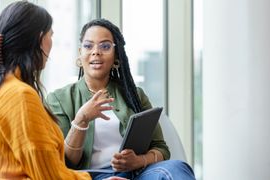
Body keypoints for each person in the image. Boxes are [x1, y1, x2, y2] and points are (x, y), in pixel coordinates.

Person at [0, 2, 126, 180]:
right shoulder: (19, 96)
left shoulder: (4, 88)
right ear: (40, 39)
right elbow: (49, 176)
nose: (52, 42)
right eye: (51, 35)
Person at [46, 18, 196, 180]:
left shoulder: (135, 95)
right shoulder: (59, 99)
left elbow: (161, 148)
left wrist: (138, 161)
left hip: (137, 173)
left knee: (177, 168)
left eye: (105, 46)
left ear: (116, 56)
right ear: (80, 54)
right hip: (91, 176)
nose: (96, 51)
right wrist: (81, 120)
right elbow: (66, 162)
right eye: (88, 46)